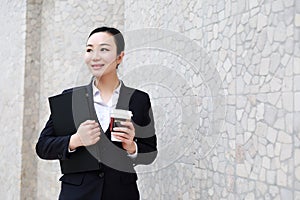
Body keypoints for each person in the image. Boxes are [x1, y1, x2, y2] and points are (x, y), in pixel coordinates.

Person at [36, 26, 157, 200]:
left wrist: (131, 146)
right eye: (89, 49)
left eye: (104, 49)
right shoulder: (70, 99)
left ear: (120, 57)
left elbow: (150, 152)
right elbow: (43, 147)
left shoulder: (139, 99)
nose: (95, 56)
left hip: (122, 193)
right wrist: (75, 140)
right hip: (77, 194)